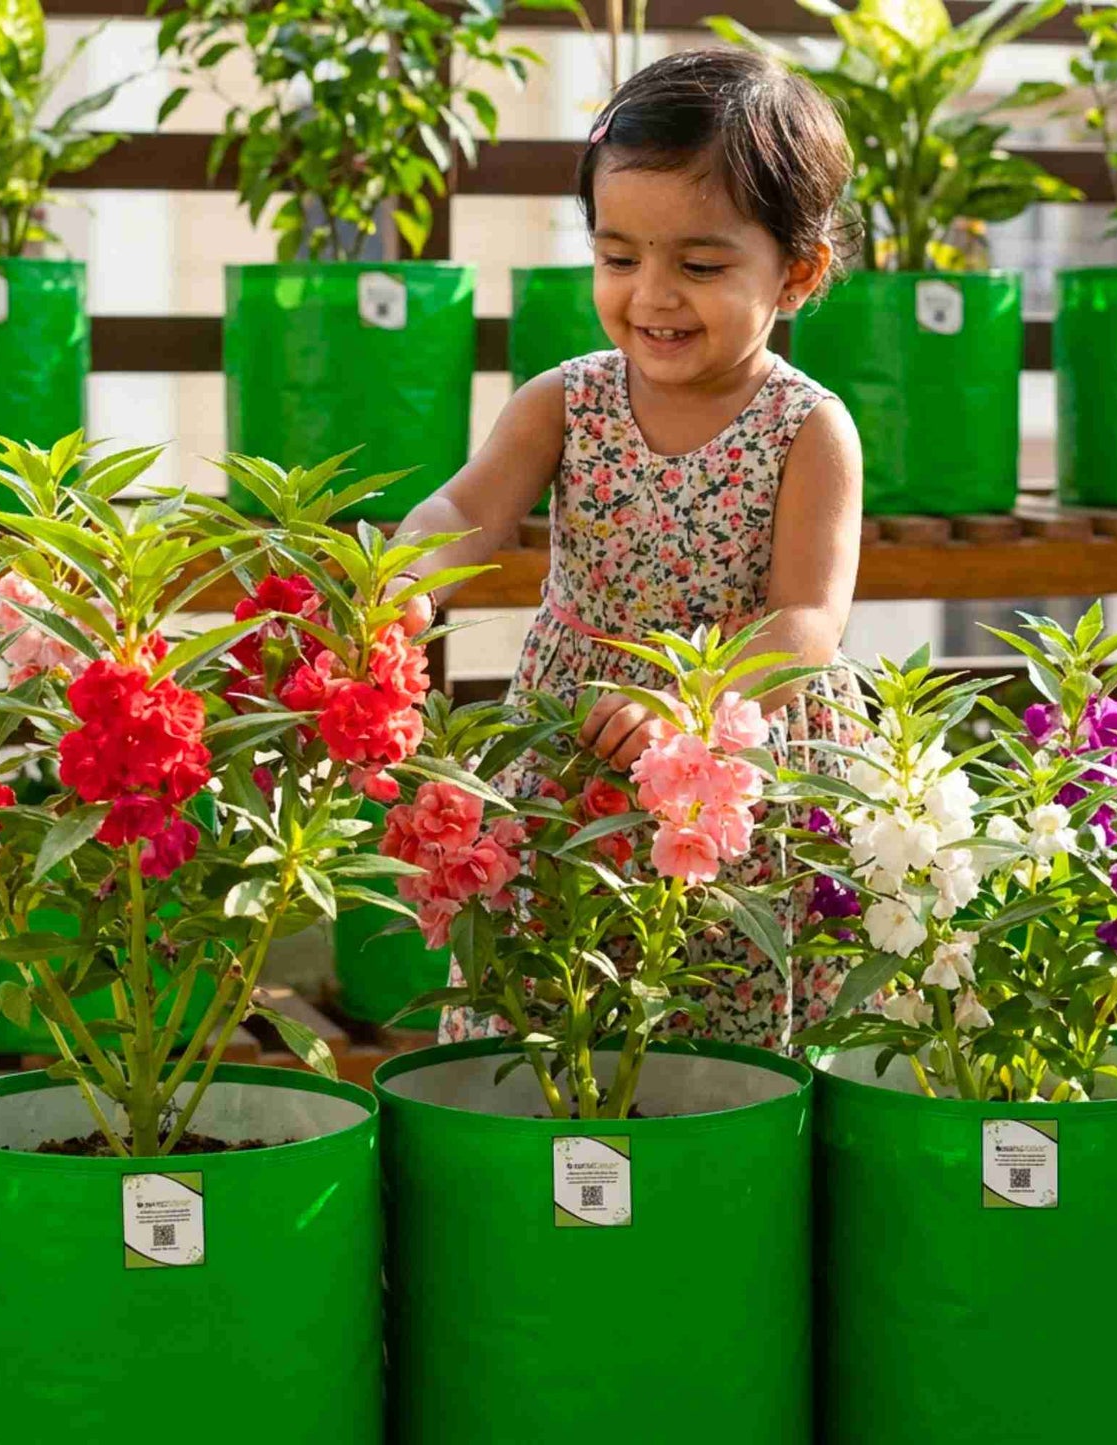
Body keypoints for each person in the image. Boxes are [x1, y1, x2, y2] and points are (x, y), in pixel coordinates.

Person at [389, 46, 868, 1053]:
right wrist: (394, 581)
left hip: (731, 750)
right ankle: (558, 1174)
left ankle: (716, 1171)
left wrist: (684, 699)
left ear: (796, 271)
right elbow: (464, 511)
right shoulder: (564, 400)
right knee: (557, 984)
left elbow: (805, 621)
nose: (651, 293)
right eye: (617, 257)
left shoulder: (806, 427)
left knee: (709, 994)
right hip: (574, 738)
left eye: (698, 265)